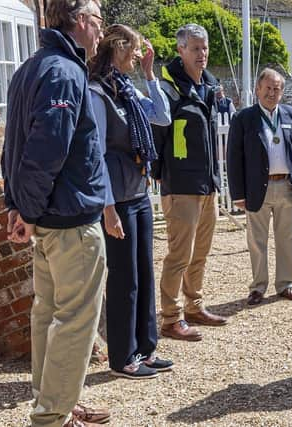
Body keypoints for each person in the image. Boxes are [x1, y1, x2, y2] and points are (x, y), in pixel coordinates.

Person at [1, 0, 111, 425]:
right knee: (73, 322)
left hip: (47, 220)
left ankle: (56, 402)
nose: (101, 31)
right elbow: (45, 150)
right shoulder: (64, 71)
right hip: (69, 224)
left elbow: (14, 145)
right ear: (80, 21)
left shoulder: (31, 67)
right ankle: (52, 415)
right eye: (99, 20)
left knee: (47, 315)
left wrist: (18, 206)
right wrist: (23, 210)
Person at [88, 24, 173, 379]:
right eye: (136, 50)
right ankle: (123, 357)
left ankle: (145, 349)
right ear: (119, 49)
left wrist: (151, 74)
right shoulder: (97, 93)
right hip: (118, 200)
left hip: (139, 193)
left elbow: (163, 116)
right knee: (125, 278)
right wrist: (107, 209)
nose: (139, 56)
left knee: (144, 273)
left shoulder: (126, 89)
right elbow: (97, 154)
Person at [151, 23, 227, 341]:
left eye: (205, 48)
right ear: (180, 50)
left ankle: (194, 305)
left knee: (201, 252)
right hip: (180, 186)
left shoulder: (208, 88)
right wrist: (162, 177)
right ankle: (171, 317)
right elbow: (156, 138)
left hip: (207, 184)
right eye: (195, 48)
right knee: (179, 255)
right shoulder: (168, 91)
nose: (202, 54)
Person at [227, 67, 292, 305]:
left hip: (285, 185)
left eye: (277, 89)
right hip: (257, 188)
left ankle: (286, 284)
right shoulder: (244, 118)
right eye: (268, 88)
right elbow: (234, 158)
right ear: (257, 90)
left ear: (282, 92)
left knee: (287, 237)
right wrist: (238, 194)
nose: (272, 93)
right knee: (257, 240)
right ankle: (258, 287)